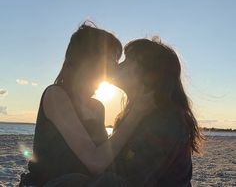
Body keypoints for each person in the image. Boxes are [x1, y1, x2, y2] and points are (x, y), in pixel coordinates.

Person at [19, 23, 155, 187]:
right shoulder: (56, 95)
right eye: (112, 59)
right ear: (89, 59)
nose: (115, 67)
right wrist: (136, 114)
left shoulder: (98, 107)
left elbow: (107, 157)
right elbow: (95, 162)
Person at [111, 38, 204, 187]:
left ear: (148, 74)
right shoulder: (134, 114)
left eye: (128, 60)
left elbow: (136, 180)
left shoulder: (166, 121)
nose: (118, 65)